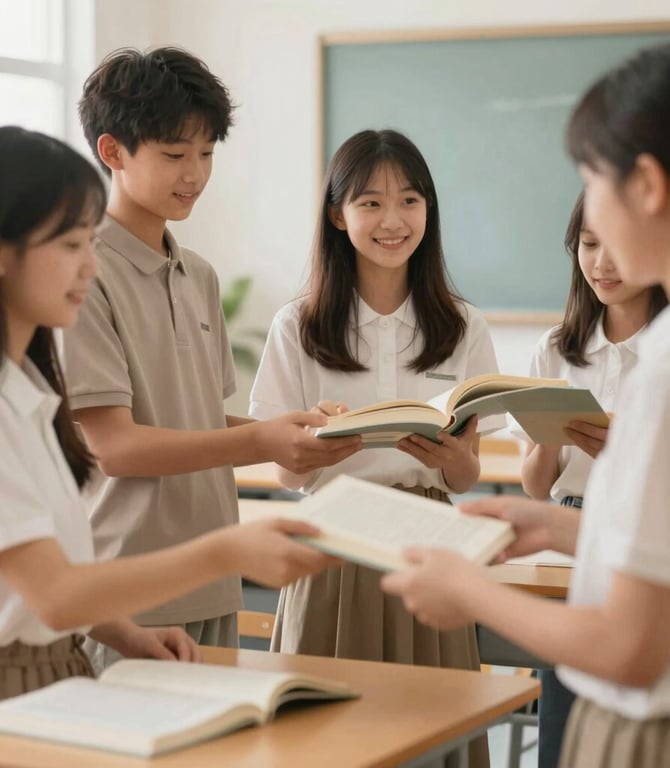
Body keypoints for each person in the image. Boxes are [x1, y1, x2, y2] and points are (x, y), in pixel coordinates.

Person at [382, 42, 670, 768]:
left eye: (593, 178)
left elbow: (628, 649)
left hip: (665, 740)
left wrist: (469, 592)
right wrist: (561, 530)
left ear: (648, 185)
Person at [0, 125, 337, 699]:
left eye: (89, 241)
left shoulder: (29, 390)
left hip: (76, 650)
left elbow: (43, 575)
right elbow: (52, 594)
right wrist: (226, 549)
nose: (88, 266)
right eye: (69, 244)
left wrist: (124, 632)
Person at [63, 47, 361, 671]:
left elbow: (199, 419)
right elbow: (112, 446)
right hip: (124, 590)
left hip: (214, 576)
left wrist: (290, 431)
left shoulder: (197, 275)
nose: (195, 174)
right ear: (113, 151)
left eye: (206, 154)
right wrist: (261, 444)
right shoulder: (79, 273)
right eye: (174, 155)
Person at [249, 129, 501, 767]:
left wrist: (452, 461)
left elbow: (468, 475)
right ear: (338, 215)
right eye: (370, 203)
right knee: (326, 737)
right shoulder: (299, 324)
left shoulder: (463, 326)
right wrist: (314, 452)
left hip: (431, 546)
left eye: (410, 201)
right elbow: (282, 470)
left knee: (432, 724)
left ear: (428, 211)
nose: (393, 220)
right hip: (333, 543)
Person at [520, 192, 667, 768]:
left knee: (638, 711)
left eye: (615, 244)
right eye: (588, 244)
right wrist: (550, 433)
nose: (601, 262)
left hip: (644, 533)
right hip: (567, 533)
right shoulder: (557, 349)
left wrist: (623, 448)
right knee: (563, 706)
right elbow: (536, 486)